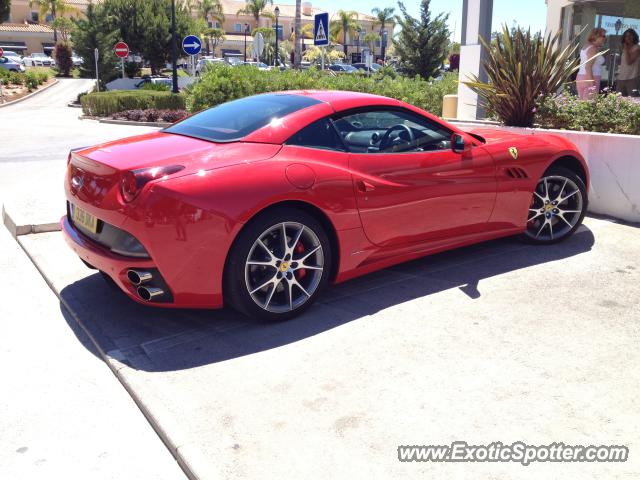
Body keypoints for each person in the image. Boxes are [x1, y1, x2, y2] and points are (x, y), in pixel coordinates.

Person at [576, 28, 606, 99]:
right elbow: (588, 67)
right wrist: (592, 85)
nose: (605, 38)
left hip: (581, 77)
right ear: (596, 36)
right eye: (603, 36)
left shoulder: (587, 46)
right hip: (591, 77)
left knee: (582, 104)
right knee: (589, 106)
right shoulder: (593, 49)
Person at [618, 28, 640, 97]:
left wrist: (626, 49)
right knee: (619, 102)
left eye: (631, 35)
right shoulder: (624, 48)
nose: (628, 38)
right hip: (621, 78)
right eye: (626, 36)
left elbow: (629, 62)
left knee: (633, 102)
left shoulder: (637, 48)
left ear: (634, 36)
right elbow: (622, 62)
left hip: (632, 78)